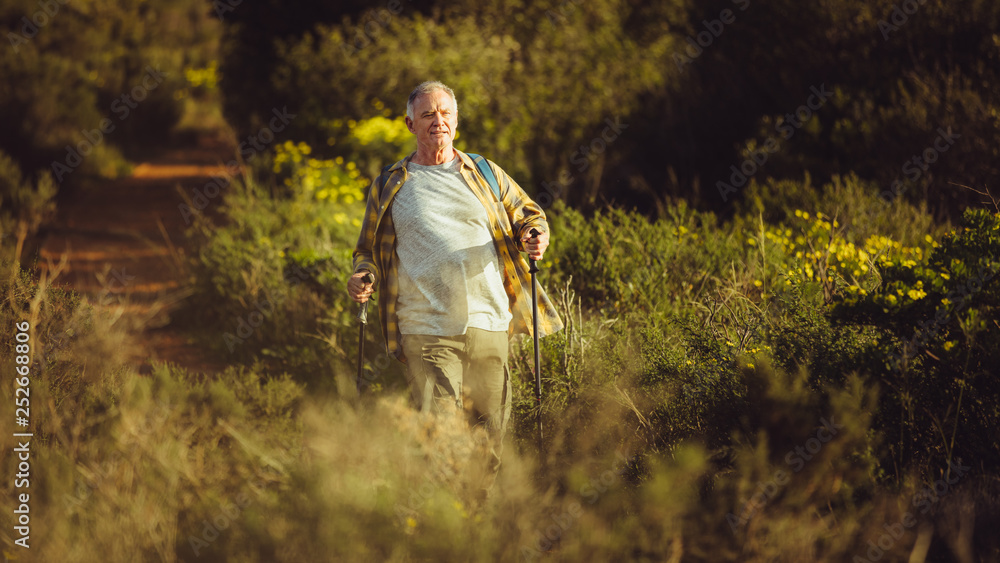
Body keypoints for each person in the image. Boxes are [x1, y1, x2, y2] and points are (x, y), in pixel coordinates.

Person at [348, 81, 563, 482]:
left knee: (491, 439)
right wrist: (363, 275)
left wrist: (534, 235)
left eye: (445, 113)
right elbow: (367, 250)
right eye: (428, 114)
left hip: (489, 322)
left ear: (457, 121)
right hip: (425, 328)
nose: (438, 121)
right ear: (410, 123)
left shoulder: (482, 171)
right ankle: (445, 531)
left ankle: (477, 528)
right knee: (443, 438)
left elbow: (528, 214)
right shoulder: (391, 182)